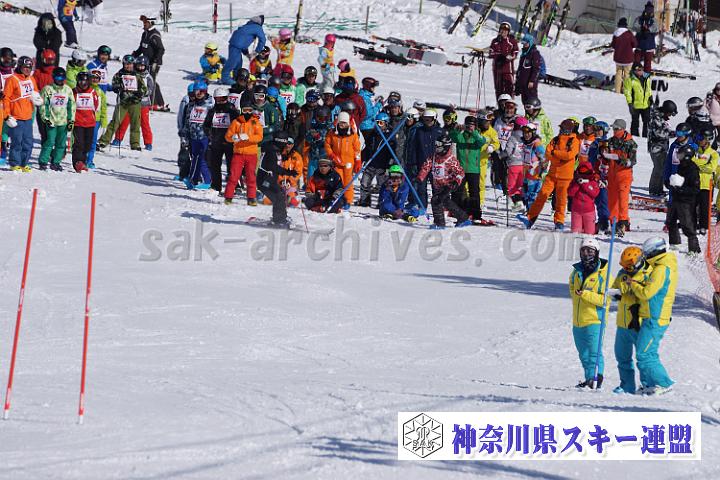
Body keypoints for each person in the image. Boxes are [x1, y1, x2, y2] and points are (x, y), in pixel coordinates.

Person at [631, 236, 678, 395]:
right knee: (644, 351)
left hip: (656, 318)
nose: (645, 257)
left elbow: (647, 293)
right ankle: (649, 384)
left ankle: (664, 383)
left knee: (645, 353)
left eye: (647, 254)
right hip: (651, 316)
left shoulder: (661, 269)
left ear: (654, 252)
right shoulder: (661, 266)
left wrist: (634, 285)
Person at [519, 118, 580, 230]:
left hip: (565, 177)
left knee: (561, 200)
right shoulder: (555, 140)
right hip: (551, 175)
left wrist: (555, 153)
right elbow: (548, 154)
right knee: (541, 196)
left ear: (569, 130)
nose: (561, 130)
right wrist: (559, 157)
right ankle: (530, 219)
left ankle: (559, 222)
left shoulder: (574, 141)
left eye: (563, 128)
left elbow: (569, 155)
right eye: (561, 128)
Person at [569, 237, 610, 389]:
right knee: (583, 354)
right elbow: (572, 289)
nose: (586, 254)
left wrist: (585, 294)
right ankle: (589, 379)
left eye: (590, 251)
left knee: (594, 352)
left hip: (595, 320)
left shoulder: (604, 275)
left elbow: (606, 300)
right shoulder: (576, 272)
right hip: (578, 320)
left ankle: (596, 378)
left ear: (597, 253)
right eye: (583, 251)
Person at [610, 246, 651, 395]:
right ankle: (627, 385)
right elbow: (615, 288)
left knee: (643, 357)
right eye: (624, 266)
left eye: (629, 266)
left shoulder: (647, 274)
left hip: (638, 323)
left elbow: (647, 295)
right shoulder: (622, 274)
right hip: (622, 322)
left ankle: (647, 385)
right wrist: (614, 294)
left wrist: (631, 291)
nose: (626, 269)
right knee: (622, 356)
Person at [416, 131, 471, 229]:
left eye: (439, 146)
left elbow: (460, 172)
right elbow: (426, 167)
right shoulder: (433, 157)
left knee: (436, 200)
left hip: (448, 185)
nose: (437, 148)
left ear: (445, 147)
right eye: (436, 145)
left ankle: (439, 223)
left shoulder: (451, 160)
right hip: (437, 184)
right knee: (445, 202)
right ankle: (463, 218)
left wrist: (456, 181)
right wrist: (420, 177)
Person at [97, 55, 147, 151]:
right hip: (123, 102)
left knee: (135, 123)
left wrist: (140, 92)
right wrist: (117, 88)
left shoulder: (137, 75)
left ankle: (135, 143)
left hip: (135, 102)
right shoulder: (119, 74)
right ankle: (104, 141)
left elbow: (144, 88)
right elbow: (114, 84)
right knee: (115, 121)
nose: (128, 66)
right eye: (126, 64)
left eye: (130, 64)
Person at [3, 56, 41, 171]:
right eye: (25, 67)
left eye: (30, 67)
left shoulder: (31, 79)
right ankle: (15, 164)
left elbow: (35, 92)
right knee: (17, 142)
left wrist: (37, 98)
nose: (27, 70)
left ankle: (24, 164)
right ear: (20, 67)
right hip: (16, 117)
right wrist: (7, 115)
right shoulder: (12, 79)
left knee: (28, 142)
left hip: (28, 117)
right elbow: (6, 98)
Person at [224, 97, 263, 204]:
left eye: (250, 110)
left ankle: (251, 198)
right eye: (245, 110)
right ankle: (228, 197)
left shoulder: (255, 122)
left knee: (251, 177)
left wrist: (248, 137)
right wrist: (233, 137)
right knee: (234, 176)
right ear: (241, 110)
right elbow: (227, 136)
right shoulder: (236, 122)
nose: (248, 112)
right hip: (238, 154)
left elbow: (259, 137)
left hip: (251, 154)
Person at [257, 131, 300, 226]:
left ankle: (281, 218)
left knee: (280, 197)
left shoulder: (274, 149)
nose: (286, 145)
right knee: (278, 198)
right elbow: (272, 166)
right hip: (265, 180)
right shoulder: (271, 151)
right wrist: (288, 172)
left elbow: (276, 160)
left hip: (270, 179)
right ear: (280, 141)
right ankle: (278, 220)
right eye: (285, 142)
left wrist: (283, 158)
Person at [450, 115, 489, 221]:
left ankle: (476, 214)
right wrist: (456, 130)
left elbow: (482, 142)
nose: (469, 127)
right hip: (461, 169)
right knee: (458, 191)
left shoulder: (477, 136)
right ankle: (457, 212)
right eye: (468, 125)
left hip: (473, 169)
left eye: (472, 125)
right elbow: (452, 137)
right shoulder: (461, 136)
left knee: (474, 192)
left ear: (475, 126)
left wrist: (474, 132)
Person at [38, 66, 76, 171]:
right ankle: (43, 161)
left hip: (63, 122)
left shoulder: (67, 90)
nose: (60, 80)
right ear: (53, 77)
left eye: (62, 78)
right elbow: (43, 105)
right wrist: (45, 118)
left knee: (61, 144)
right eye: (58, 78)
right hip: (52, 121)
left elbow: (72, 106)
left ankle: (56, 162)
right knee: (49, 142)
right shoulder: (47, 89)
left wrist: (71, 120)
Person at [113, 56, 154, 150]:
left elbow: (150, 90)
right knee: (125, 120)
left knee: (144, 123)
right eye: (138, 66)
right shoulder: (132, 75)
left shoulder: (148, 77)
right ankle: (118, 138)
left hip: (143, 104)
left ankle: (148, 143)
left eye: (142, 66)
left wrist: (142, 92)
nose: (140, 68)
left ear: (146, 66)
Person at [202, 86, 238, 192]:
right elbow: (206, 125)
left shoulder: (232, 110)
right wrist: (210, 135)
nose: (220, 101)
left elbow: (239, 124)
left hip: (230, 143)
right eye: (218, 99)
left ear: (227, 98)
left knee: (231, 166)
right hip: (216, 142)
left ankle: (233, 186)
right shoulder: (212, 111)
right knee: (215, 165)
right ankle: (216, 186)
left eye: (223, 98)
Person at [606, 119, 638, 237]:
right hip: (612, 175)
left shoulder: (630, 143)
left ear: (623, 129)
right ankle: (613, 224)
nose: (614, 131)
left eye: (617, 129)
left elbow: (633, 161)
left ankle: (623, 223)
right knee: (612, 201)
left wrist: (621, 161)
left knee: (623, 201)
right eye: (613, 129)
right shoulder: (611, 141)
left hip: (624, 175)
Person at [667, 145, 701, 254]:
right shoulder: (681, 166)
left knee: (687, 225)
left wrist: (682, 189)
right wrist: (670, 184)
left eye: (680, 155)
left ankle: (694, 249)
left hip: (686, 201)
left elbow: (695, 189)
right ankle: (674, 243)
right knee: (670, 221)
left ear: (687, 156)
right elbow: (678, 181)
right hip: (676, 198)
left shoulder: (692, 169)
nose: (678, 157)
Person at [181, 80, 214, 190]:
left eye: (201, 91)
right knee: (195, 157)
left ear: (205, 91)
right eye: (196, 91)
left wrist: (212, 135)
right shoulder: (191, 105)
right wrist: (185, 134)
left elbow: (214, 121)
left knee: (201, 158)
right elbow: (187, 121)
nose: (199, 94)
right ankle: (193, 180)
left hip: (204, 136)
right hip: (193, 136)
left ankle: (207, 181)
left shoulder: (210, 104)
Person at [408, 109, 443, 210]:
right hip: (422, 164)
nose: (427, 122)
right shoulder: (419, 131)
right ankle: (422, 206)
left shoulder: (440, 131)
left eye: (429, 119)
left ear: (434, 119)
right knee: (421, 188)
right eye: (425, 119)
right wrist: (413, 162)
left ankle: (438, 207)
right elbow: (414, 147)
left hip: (436, 165)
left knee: (436, 188)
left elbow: (446, 148)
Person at [325, 111, 361, 207]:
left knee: (348, 183)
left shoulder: (353, 135)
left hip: (349, 163)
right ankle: (336, 199)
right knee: (337, 182)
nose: (342, 125)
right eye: (340, 122)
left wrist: (358, 161)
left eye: (344, 123)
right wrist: (332, 155)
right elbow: (327, 144)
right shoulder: (332, 133)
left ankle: (348, 201)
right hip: (337, 162)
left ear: (348, 123)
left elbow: (357, 149)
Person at [359, 112, 394, 207]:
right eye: (377, 122)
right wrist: (363, 158)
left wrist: (390, 163)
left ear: (386, 124)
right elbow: (367, 148)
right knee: (364, 183)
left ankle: (382, 202)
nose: (378, 125)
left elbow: (392, 151)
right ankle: (364, 200)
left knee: (383, 185)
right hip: (370, 163)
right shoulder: (372, 135)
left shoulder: (390, 136)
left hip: (382, 165)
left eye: (381, 123)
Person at [222, 15, 266, 85]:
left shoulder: (247, 25)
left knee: (238, 63)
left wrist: (246, 54)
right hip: (236, 46)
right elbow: (263, 40)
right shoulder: (257, 27)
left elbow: (243, 39)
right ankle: (225, 78)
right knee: (232, 62)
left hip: (235, 45)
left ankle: (236, 78)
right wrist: (257, 51)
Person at [133, 15, 166, 109]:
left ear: (151, 23)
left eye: (145, 22)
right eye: (143, 22)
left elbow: (161, 49)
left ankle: (153, 103)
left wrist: (155, 61)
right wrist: (135, 54)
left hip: (154, 64)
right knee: (151, 82)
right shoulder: (145, 34)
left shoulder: (154, 35)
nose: (144, 24)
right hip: (145, 63)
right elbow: (142, 48)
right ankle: (159, 103)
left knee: (150, 81)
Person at [647, 100, 677, 196]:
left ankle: (659, 189)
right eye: (670, 113)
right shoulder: (656, 118)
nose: (670, 116)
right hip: (656, 148)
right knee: (658, 168)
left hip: (662, 147)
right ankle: (654, 190)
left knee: (662, 168)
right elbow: (660, 133)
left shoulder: (661, 118)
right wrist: (675, 133)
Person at [71, 71, 99, 172]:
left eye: (85, 82)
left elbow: (96, 105)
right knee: (79, 144)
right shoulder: (74, 92)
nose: (83, 84)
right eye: (81, 82)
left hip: (90, 122)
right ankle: (77, 162)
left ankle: (83, 161)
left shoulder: (92, 92)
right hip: (78, 122)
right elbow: (70, 105)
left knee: (87, 144)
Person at [500, 116, 528, 212]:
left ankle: (518, 204)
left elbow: (508, 151)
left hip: (514, 164)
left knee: (512, 186)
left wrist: (500, 155)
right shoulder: (527, 138)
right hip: (524, 165)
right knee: (520, 185)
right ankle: (521, 203)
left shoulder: (512, 137)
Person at [588, 121, 612, 233]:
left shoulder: (606, 144)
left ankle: (605, 222)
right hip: (594, 174)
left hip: (603, 176)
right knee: (596, 200)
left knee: (603, 199)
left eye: (599, 130)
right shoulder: (595, 143)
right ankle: (601, 221)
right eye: (595, 129)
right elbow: (591, 159)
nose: (596, 132)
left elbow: (607, 161)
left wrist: (605, 177)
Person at [694, 129, 719, 234]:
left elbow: (711, 168)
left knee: (705, 207)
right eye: (698, 138)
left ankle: (704, 226)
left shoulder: (713, 154)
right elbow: (691, 163)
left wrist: (698, 165)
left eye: (701, 138)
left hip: (706, 184)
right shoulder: (696, 151)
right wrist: (702, 165)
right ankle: (692, 224)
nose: (699, 140)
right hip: (695, 182)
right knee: (693, 205)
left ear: (708, 140)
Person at [32, 49, 57, 145]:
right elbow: (34, 86)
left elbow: (62, 86)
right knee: (43, 129)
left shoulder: (56, 72)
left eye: (51, 60)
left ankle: (54, 147)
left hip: (54, 105)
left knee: (53, 128)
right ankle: (45, 146)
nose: (49, 63)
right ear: (43, 60)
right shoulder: (38, 72)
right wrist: (38, 94)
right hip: (42, 105)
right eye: (47, 60)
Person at [568, 161, 600, 234]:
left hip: (589, 211)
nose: (584, 175)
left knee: (590, 233)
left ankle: (595, 227)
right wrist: (577, 184)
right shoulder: (575, 181)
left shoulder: (593, 182)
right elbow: (570, 193)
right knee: (575, 232)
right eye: (582, 173)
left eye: (586, 173)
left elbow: (594, 193)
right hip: (576, 211)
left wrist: (584, 184)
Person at [488, 21, 518, 100]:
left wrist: (509, 57)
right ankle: (500, 105)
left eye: (505, 31)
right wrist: (500, 55)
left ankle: (510, 104)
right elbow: (491, 53)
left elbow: (515, 53)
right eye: (502, 30)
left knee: (509, 87)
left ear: (508, 32)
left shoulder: (512, 41)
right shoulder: (495, 41)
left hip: (508, 69)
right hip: (497, 68)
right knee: (498, 88)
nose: (503, 32)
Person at [520, 122, 546, 211]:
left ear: (533, 133)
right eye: (524, 133)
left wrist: (541, 171)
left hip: (534, 173)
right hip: (524, 171)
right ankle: (525, 209)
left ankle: (531, 211)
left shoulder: (536, 144)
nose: (526, 135)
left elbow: (544, 159)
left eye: (528, 133)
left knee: (532, 193)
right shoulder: (523, 142)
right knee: (523, 192)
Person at [478, 110, 500, 208]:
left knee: (481, 182)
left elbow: (496, 143)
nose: (488, 123)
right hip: (470, 161)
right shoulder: (475, 129)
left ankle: (480, 201)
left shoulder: (492, 132)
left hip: (482, 161)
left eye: (489, 121)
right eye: (486, 121)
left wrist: (492, 147)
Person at [623, 62, 652, 138]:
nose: (640, 71)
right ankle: (635, 137)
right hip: (635, 105)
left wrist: (650, 97)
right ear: (634, 71)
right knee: (635, 122)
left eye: (641, 69)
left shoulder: (646, 78)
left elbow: (648, 89)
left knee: (647, 122)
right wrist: (630, 104)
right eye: (638, 70)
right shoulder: (630, 79)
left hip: (646, 104)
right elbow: (627, 92)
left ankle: (646, 136)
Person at [609, 17, 637, 94]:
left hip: (618, 58)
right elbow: (635, 44)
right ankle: (626, 90)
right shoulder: (629, 34)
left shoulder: (616, 34)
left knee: (618, 74)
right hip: (628, 58)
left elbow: (613, 45)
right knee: (627, 74)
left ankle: (617, 90)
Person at [86, 69, 107, 168]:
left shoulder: (101, 92)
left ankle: (89, 160)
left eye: (97, 78)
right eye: (93, 78)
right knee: (84, 140)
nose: (94, 80)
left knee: (93, 141)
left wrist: (104, 121)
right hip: (84, 118)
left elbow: (103, 108)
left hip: (96, 120)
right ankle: (82, 159)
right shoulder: (85, 89)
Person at [515, 33, 541, 106]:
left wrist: (532, 80)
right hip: (523, 83)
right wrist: (517, 83)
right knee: (525, 103)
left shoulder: (534, 53)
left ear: (530, 43)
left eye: (526, 43)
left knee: (532, 103)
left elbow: (536, 69)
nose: (524, 45)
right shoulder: (524, 54)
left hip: (530, 84)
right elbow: (520, 69)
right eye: (523, 43)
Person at [632, 1, 658, 73]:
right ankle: (635, 76)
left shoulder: (654, 20)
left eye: (651, 9)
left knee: (647, 65)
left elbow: (656, 28)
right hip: (639, 45)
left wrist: (648, 30)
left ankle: (646, 77)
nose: (649, 11)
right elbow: (634, 26)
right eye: (647, 9)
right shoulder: (640, 18)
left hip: (649, 46)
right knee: (636, 62)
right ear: (645, 9)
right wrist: (641, 29)